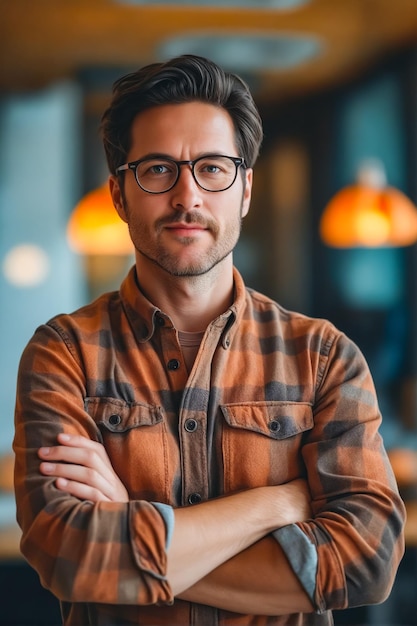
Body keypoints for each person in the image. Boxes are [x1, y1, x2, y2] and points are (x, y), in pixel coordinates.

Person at [13, 54, 405, 626]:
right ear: (120, 195)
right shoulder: (63, 351)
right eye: (157, 169)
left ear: (244, 189)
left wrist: (130, 525)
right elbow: (69, 556)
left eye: (213, 168)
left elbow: (366, 563)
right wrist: (277, 503)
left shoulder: (324, 357)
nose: (187, 196)